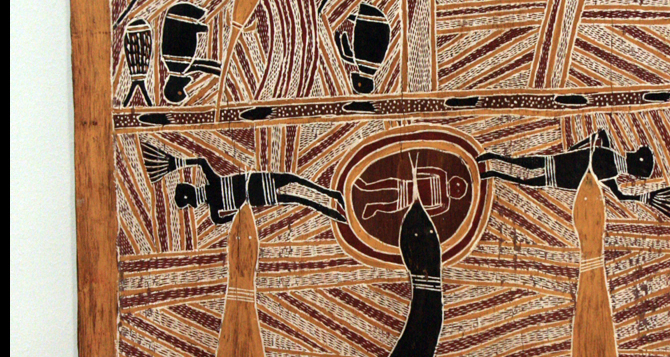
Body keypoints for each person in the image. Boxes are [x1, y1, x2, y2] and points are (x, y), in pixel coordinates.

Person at [477, 129, 670, 219]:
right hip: (562, 174)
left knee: (526, 170)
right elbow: (620, 195)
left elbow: (600, 134)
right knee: (527, 176)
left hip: (561, 168)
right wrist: (643, 198)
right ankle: (494, 168)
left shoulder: (611, 162)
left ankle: (494, 164)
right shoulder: (611, 170)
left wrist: (576, 148)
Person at [141, 141, 347, 224]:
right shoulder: (212, 193)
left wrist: (239, 213)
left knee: (295, 192)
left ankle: (331, 203)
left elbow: (222, 219)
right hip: (253, 187)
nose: (193, 205)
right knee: (294, 185)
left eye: (190, 203)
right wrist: (179, 163)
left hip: (254, 191)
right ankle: (331, 198)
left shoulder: (213, 204)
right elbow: (201, 162)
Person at [356, 164, 468, 221]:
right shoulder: (442, 176)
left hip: (409, 198)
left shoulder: (445, 204)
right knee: (389, 186)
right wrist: (416, 171)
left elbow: (428, 212)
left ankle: (373, 203)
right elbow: (428, 170)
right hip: (408, 187)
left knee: (390, 200)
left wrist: (416, 171)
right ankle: (366, 188)